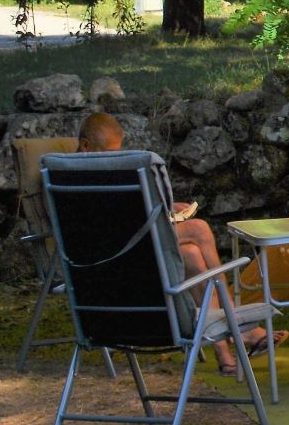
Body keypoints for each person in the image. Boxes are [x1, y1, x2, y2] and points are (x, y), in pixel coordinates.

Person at [77, 112, 273, 372]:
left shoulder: (64, 178)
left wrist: (165, 208)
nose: (114, 159)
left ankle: (224, 354)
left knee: (192, 254)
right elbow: (101, 231)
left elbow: (120, 214)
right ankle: (234, 323)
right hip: (116, 262)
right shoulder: (78, 179)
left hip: (127, 249)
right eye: (108, 152)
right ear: (86, 145)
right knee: (200, 229)